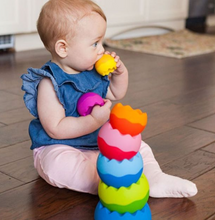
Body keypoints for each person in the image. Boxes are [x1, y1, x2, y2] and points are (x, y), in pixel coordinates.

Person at [21, 0, 197, 198]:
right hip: (61, 147)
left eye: (101, 42)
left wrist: (120, 74)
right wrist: (94, 121)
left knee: (138, 145)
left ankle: (153, 177)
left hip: (97, 143)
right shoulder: (49, 83)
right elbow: (56, 128)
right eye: (95, 43)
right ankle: (112, 185)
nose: (101, 49)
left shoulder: (92, 71)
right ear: (63, 48)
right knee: (58, 165)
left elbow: (115, 93)